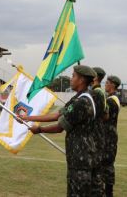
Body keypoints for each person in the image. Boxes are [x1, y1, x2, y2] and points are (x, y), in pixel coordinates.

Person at [21, 65, 97, 196]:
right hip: (79, 156)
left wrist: (39, 129)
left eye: (73, 76)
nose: (70, 79)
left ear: (81, 80)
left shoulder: (82, 102)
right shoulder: (79, 98)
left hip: (81, 158)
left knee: (77, 192)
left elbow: (59, 127)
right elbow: (57, 115)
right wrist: (28, 118)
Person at [91, 67, 108, 196]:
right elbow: (105, 115)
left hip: (95, 136)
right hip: (99, 133)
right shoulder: (101, 92)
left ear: (95, 77)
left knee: (95, 171)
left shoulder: (96, 93)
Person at [103, 76, 121, 197]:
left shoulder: (111, 100)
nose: (106, 84)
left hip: (108, 138)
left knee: (107, 167)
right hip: (109, 136)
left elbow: (104, 117)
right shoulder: (112, 98)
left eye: (108, 83)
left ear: (113, 85)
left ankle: (109, 193)